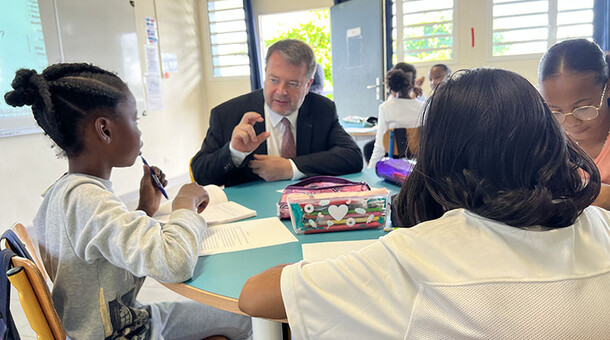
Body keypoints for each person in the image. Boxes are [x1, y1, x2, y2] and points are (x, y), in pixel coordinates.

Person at [237, 68, 610, 339]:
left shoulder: (418, 257)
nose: (282, 89)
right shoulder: (600, 226)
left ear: (438, 152)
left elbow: (255, 296)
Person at [4, 63, 252, 339]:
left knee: (240, 318)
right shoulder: (88, 199)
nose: (140, 131)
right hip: (126, 333)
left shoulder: (62, 193)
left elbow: (102, 249)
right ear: (105, 130)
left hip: (118, 323)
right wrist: (185, 205)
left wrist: (144, 209)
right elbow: (174, 263)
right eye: (135, 120)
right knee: (251, 322)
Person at [190, 39, 363, 187]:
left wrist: (290, 167)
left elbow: (353, 156)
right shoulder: (227, 114)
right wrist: (234, 151)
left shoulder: (322, 109)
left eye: (293, 84)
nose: (281, 91)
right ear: (265, 74)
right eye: (274, 80)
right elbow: (200, 175)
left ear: (308, 85)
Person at [538, 39, 610, 209]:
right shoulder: (548, 138)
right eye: (556, 112)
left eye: (583, 108)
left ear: (607, 88)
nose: (571, 122)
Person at [367, 68, 424, 167]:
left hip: (394, 165)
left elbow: (380, 146)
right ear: (412, 84)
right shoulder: (422, 107)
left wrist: (370, 169)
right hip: (419, 164)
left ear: (391, 87)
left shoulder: (385, 108)